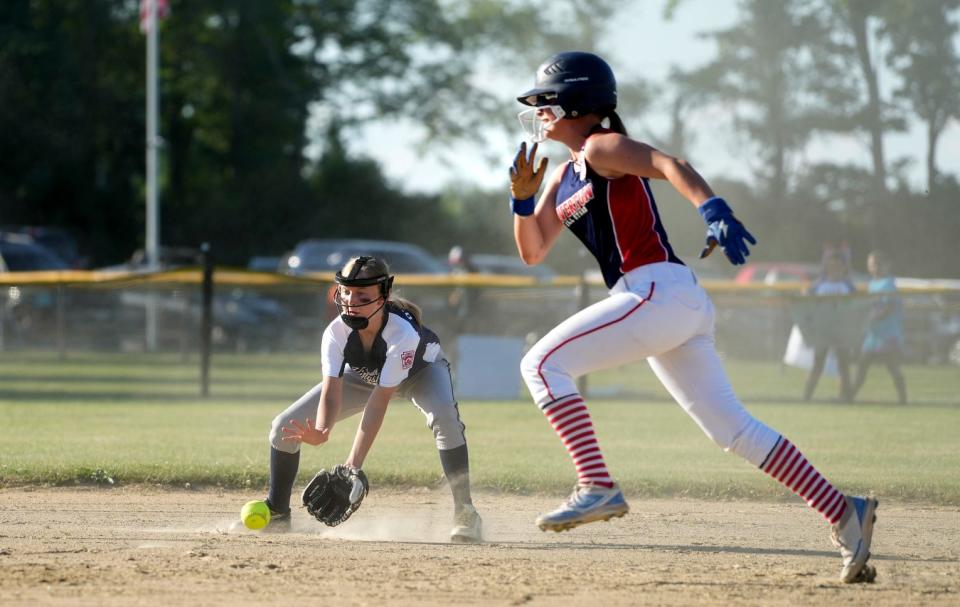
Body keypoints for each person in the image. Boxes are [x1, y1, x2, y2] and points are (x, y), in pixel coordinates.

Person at [508, 51, 877, 582]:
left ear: (578, 101)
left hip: (655, 290)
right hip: (665, 301)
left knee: (541, 366)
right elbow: (533, 251)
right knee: (733, 430)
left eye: (547, 101)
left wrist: (711, 207)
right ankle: (845, 511)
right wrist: (521, 202)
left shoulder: (600, 145)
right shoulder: (562, 175)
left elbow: (668, 164)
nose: (540, 111)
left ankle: (596, 485)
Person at [258, 255, 483, 542]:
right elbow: (331, 389)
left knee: (445, 419)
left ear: (384, 295)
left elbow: (379, 403)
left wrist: (353, 465)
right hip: (365, 376)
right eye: (346, 291)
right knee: (283, 427)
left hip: (422, 372)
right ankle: (278, 512)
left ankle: (465, 512)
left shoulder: (401, 332)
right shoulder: (336, 332)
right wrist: (322, 430)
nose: (351, 300)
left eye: (362, 294)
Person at [851, 250, 907, 404]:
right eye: (871, 265)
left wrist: (872, 318)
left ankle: (903, 399)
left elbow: (888, 307)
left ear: (886, 265)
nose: (874, 268)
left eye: (877, 264)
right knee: (862, 365)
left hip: (887, 334)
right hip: (874, 333)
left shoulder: (888, 283)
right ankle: (849, 396)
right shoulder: (872, 283)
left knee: (892, 367)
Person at [802, 250, 857, 402]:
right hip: (823, 330)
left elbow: (856, 305)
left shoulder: (848, 286)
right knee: (818, 363)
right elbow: (806, 298)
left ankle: (846, 397)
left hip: (841, 330)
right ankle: (807, 396)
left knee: (843, 364)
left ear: (844, 267)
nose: (834, 268)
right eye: (831, 265)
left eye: (838, 266)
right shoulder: (820, 284)